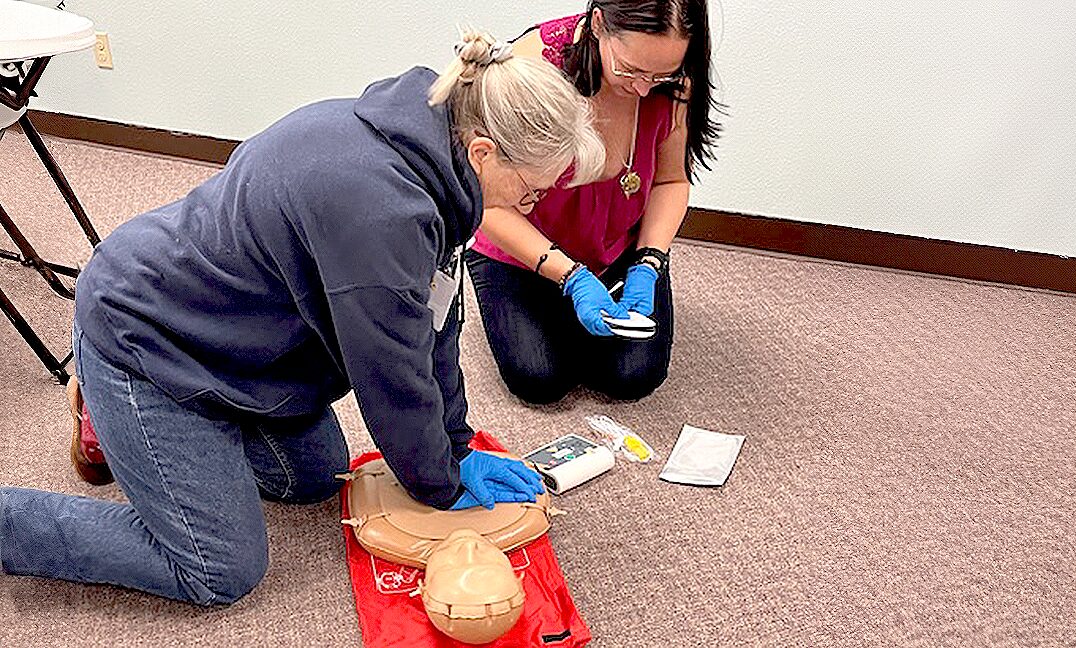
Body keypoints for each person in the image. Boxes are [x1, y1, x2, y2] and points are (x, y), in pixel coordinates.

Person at [0, 29, 604, 606]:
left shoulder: (429, 150)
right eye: (530, 191)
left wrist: (457, 444)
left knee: (314, 478)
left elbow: (436, 324)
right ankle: (65, 462)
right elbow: (393, 373)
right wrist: (440, 484)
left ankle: (144, 434)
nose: (534, 206)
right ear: (483, 151)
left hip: (230, 335)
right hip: (147, 333)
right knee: (219, 568)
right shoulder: (384, 213)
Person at [465, 0, 721, 405]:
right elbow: (488, 201)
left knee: (632, 378)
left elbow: (671, 180)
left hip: (617, 248)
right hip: (522, 247)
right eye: (631, 69)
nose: (643, 88)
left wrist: (649, 262)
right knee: (539, 380)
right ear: (598, 23)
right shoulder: (534, 69)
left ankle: (574, 307)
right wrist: (572, 277)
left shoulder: (674, 83)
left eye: (660, 74)